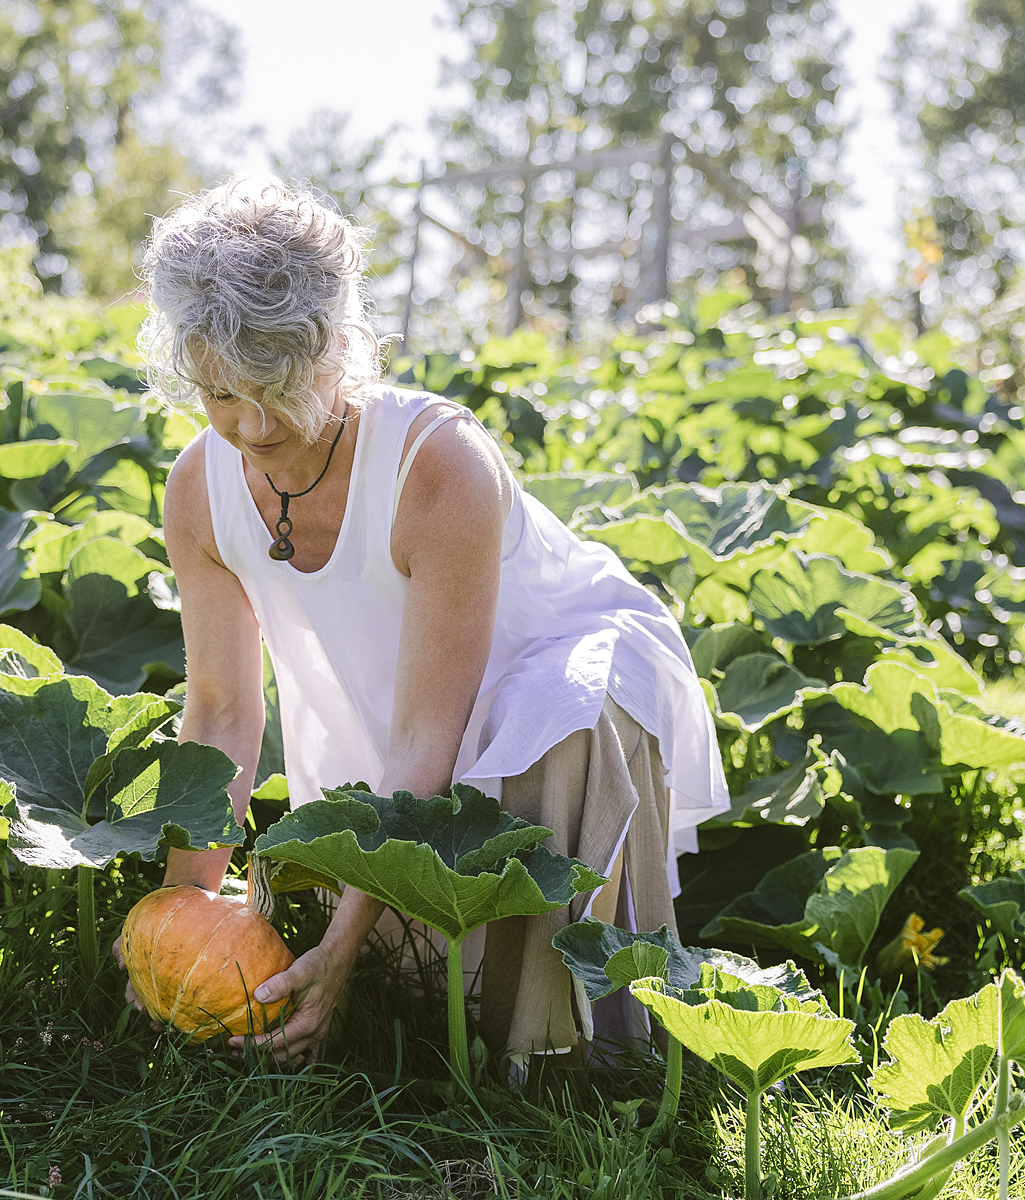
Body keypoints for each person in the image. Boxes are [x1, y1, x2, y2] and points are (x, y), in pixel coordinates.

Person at [124, 177, 729, 1069]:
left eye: (272, 389)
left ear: (333, 352)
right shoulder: (197, 490)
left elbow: (425, 733)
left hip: (549, 680)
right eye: (218, 394)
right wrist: (173, 925)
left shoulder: (438, 467)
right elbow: (220, 714)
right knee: (401, 987)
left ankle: (562, 1065)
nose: (248, 425)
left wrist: (341, 941)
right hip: (401, 725)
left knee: (553, 726)